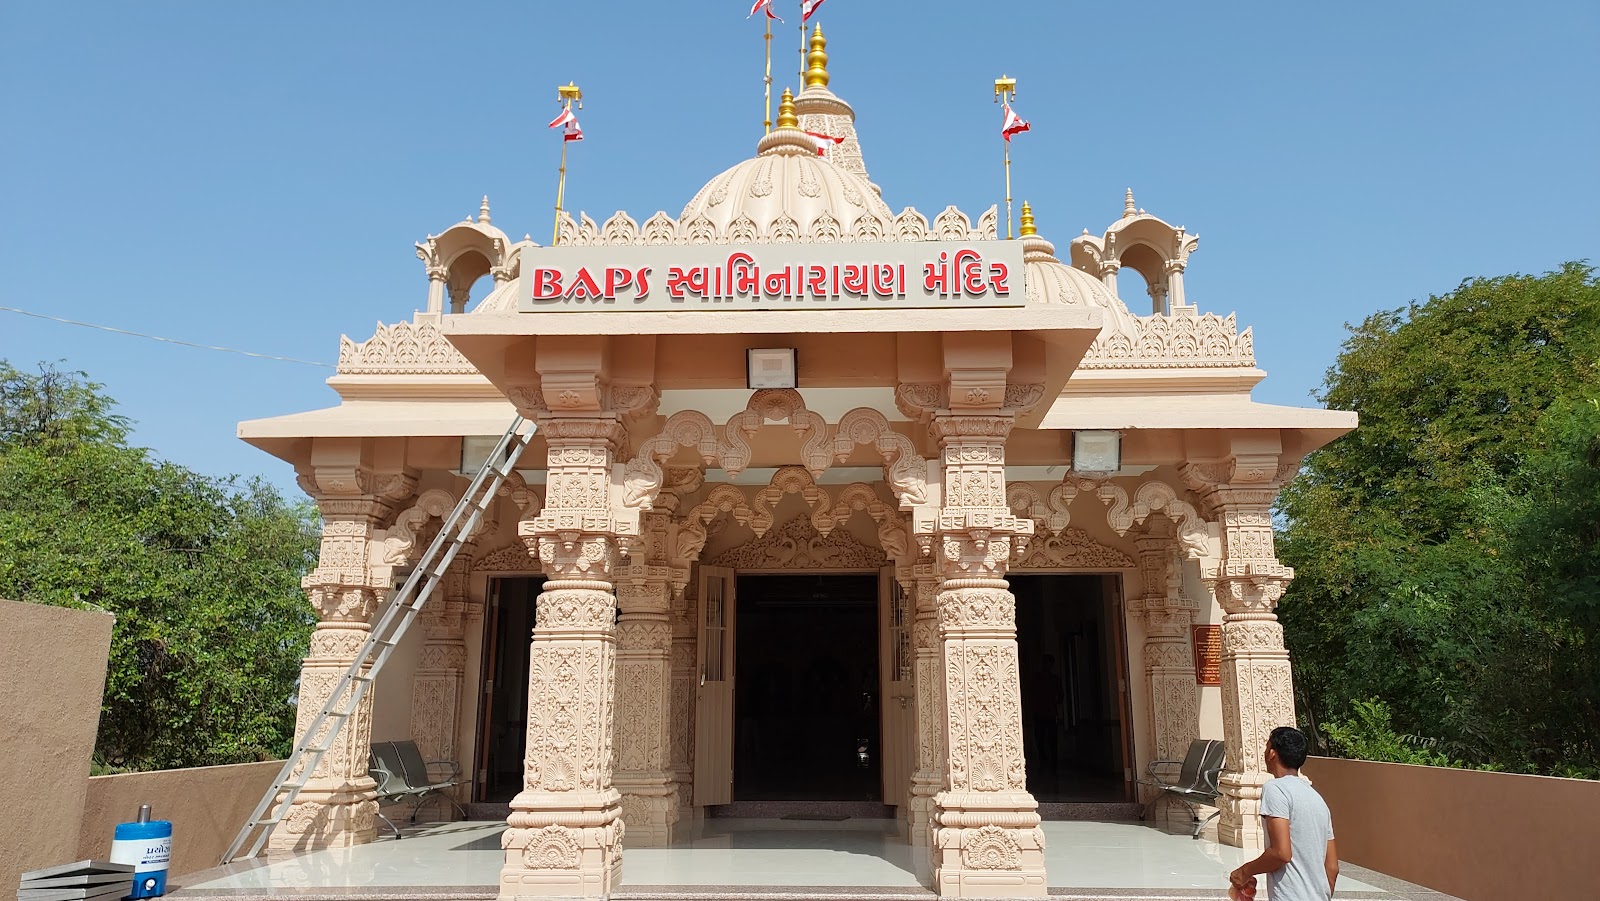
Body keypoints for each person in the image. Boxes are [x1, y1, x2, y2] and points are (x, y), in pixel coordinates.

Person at [1229, 726, 1338, 901]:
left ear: (1272, 753)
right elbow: (1332, 868)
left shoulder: (1275, 789)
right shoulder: (1318, 800)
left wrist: (1244, 872)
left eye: (1266, 747)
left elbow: (1281, 853)